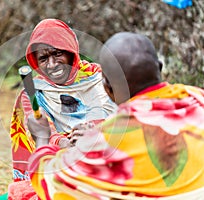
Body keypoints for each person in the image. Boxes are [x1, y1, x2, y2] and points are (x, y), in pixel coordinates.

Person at [27, 32, 204, 199]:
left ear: (107, 87)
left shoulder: (109, 139)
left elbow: (52, 186)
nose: (52, 64)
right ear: (159, 67)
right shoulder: (198, 97)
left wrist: (42, 139)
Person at [10, 18, 116, 183]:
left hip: (110, 161)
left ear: (71, 52)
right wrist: (69, 145)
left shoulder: (99, 76)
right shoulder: (33, 93)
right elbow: (43, 134)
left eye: (57, 54)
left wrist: (96, 133)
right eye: (43, 59)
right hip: (62, 168)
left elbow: (124, 118)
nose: (52, 65)